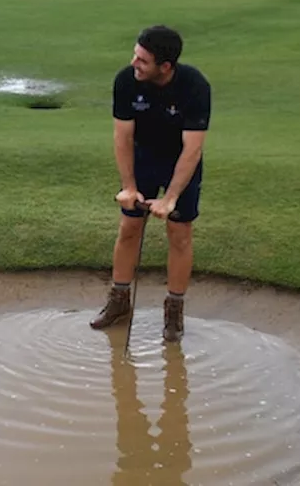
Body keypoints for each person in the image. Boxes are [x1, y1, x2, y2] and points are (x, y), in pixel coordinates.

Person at [90, 25, 211, 343]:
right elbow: (122, 136)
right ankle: (119, 303)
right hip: (143, 158)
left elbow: (193, 148)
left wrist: (170, 197)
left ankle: (174, 313)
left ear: (165, 66)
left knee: (180, 234)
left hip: (179, 162)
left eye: (143, 60)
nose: (134, 63)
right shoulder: (126, 81)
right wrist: (129, 187)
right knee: (129, 228)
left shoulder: (194, 86)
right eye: (135, 55)